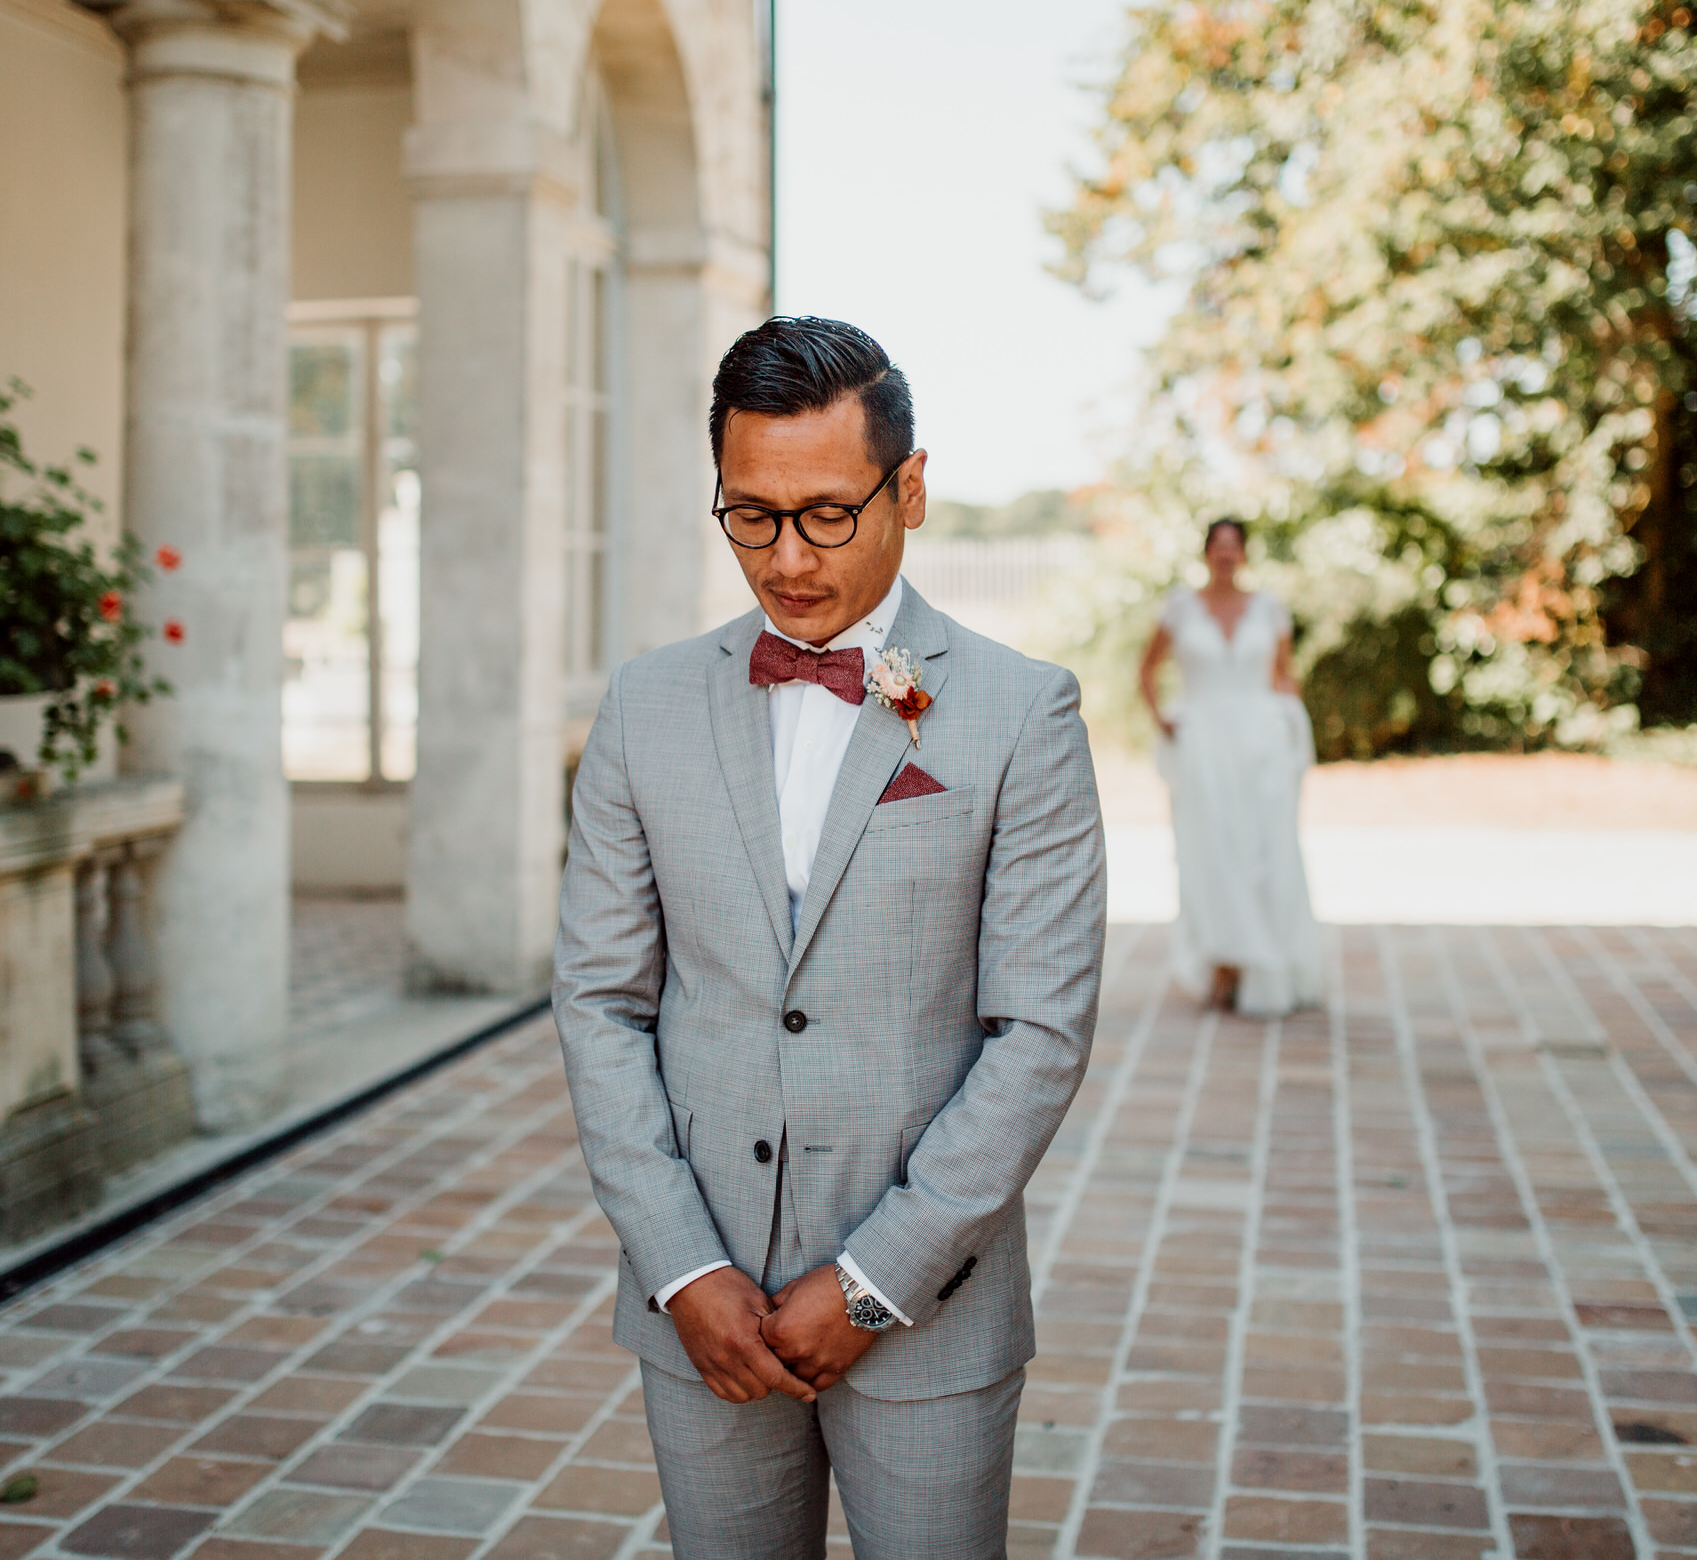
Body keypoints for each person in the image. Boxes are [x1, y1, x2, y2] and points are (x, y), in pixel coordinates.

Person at [550, 316, 1106, 1557]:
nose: (787, 557)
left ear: (908, 488)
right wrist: (682, 1270)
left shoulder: (1023, 713)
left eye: (825, 514)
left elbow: (1039, 1034)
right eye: (750, 514)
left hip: (932, 1307)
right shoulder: (644, 705)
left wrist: (872, 1285)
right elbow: (599, 1000)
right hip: (703, 1313)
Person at [1137, 516, 1327, 1017]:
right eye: (1217, 546)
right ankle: (1223, 962)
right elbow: (1147, 670)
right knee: (1211, 848)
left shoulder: (1270, 609)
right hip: (1202, 746)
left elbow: (1284, 677)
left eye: (1234, 546)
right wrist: (1164, 721)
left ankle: (1267, 957)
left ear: (1244, 553)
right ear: (1206, 553)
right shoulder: (1179, 607)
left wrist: (1292, 729)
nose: (1225, 554)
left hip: (1260, 744)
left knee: (1263, 848)